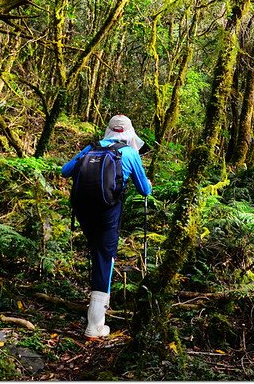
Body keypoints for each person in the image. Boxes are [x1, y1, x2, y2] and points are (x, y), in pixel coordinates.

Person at [61, 114, 152, 339]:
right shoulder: (129, 153)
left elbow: (65, 171)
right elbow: (145, 191)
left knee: (97, 251)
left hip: (83, 210)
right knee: (105, 257)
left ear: (108, 130)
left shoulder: (91, 147)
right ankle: (95, 325)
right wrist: (147, 182)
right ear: (129, 132)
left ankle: (95, 309)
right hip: (108, 212)